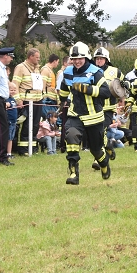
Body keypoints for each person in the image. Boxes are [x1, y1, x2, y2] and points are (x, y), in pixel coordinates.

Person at [59, 42, 112, 185]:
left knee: (96, 150)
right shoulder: (67, 72)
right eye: (74, 59)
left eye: (80, 58)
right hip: (75, 114)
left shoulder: (95, 72)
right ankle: (73, 174)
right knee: (71, 136)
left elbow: (106, 92)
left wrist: (87, 89)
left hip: (94, 117)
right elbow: (64, 87)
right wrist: (62, 101)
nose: (77, 61)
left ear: (86, 57)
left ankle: (104, 164)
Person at [12, 48, 43, 156]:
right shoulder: (21, 67)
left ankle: (32, 147)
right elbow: (15, 84)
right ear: (30, 57)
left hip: (38, 100)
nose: (39, 59)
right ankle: (23, 148)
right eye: (37, 57)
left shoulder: (37, 69)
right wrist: (18, 99)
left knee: (35, 125)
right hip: (26, 101)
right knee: (25, 125)